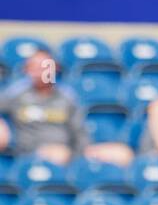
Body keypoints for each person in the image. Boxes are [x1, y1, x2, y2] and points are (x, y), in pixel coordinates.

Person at [0, 49, 132, 167]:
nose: (42, 72)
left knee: (122, 154)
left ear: (55, 69)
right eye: (36, 67)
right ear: (27, 70)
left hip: (68, 152)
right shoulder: (16, 95)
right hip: (32, 154)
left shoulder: (67, 97)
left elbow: (79, 132)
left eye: (46, 67)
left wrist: (77, 154)